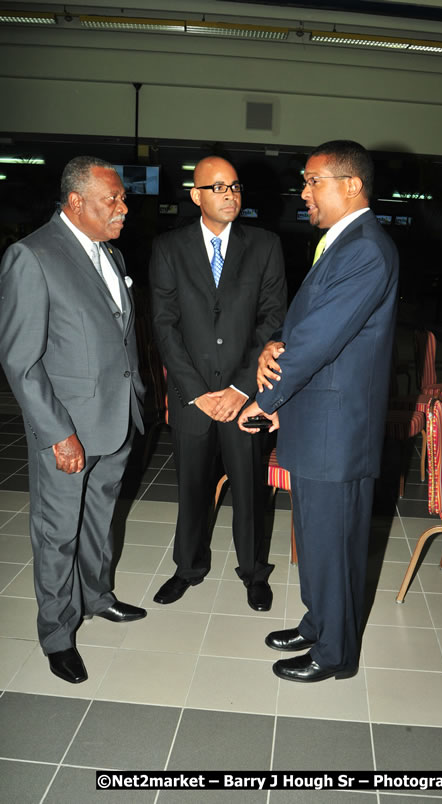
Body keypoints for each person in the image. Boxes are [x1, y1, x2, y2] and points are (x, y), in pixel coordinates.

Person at [238, 140, 398, 682]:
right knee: (314, 537)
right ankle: (318, 622)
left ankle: (335, 653)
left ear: (351, 186)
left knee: (334, 544)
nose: (303, 193)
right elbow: (304, 326)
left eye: (313, 181)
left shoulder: (365, 249)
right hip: (317, 422)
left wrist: (261, 400)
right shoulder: (340, 242)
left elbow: (318, 341)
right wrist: (271, 345)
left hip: (337, 432)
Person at [0, 156, 147, 684]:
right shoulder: (32, 256)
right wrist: (59, 432)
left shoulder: (108, 251)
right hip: (68, 429)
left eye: (123, 198)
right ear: (76, 201)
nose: (123, 209)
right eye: (114, 199)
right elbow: (20, 360)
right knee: (57, 533)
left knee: (100, 520)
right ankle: (57, 633)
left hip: (116, 418)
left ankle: (97, 596)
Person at [150, 156, 286, 611]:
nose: (230, 194)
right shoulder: (169, 248)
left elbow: (272, 321)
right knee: (190, 487)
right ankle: (187, 568)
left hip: (244, 398)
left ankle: (253, 573)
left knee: (249, 489)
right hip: (193, 398)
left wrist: (241, 389)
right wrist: (198, 393)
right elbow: (165, 326)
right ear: (196, 196)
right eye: (218, 187)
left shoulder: (264, 245)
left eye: (235, 186)